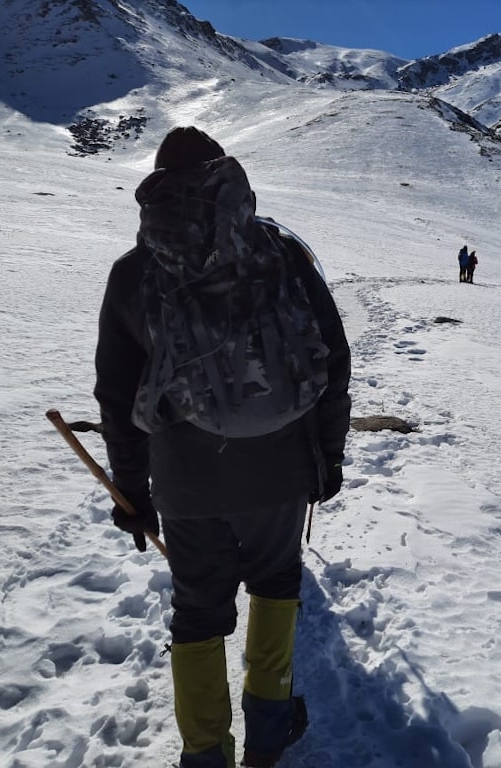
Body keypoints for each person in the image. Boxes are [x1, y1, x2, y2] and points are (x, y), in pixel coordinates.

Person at [94, 127, 351, 768]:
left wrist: (132, 493)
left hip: (186, 480)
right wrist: (329, 457)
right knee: (277, 584)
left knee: (198, 610)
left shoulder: (134, 273)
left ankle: (205, 751)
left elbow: (117, 396)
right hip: (282, 464)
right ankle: (268, 734)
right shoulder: (282, 253)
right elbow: (332, 361)